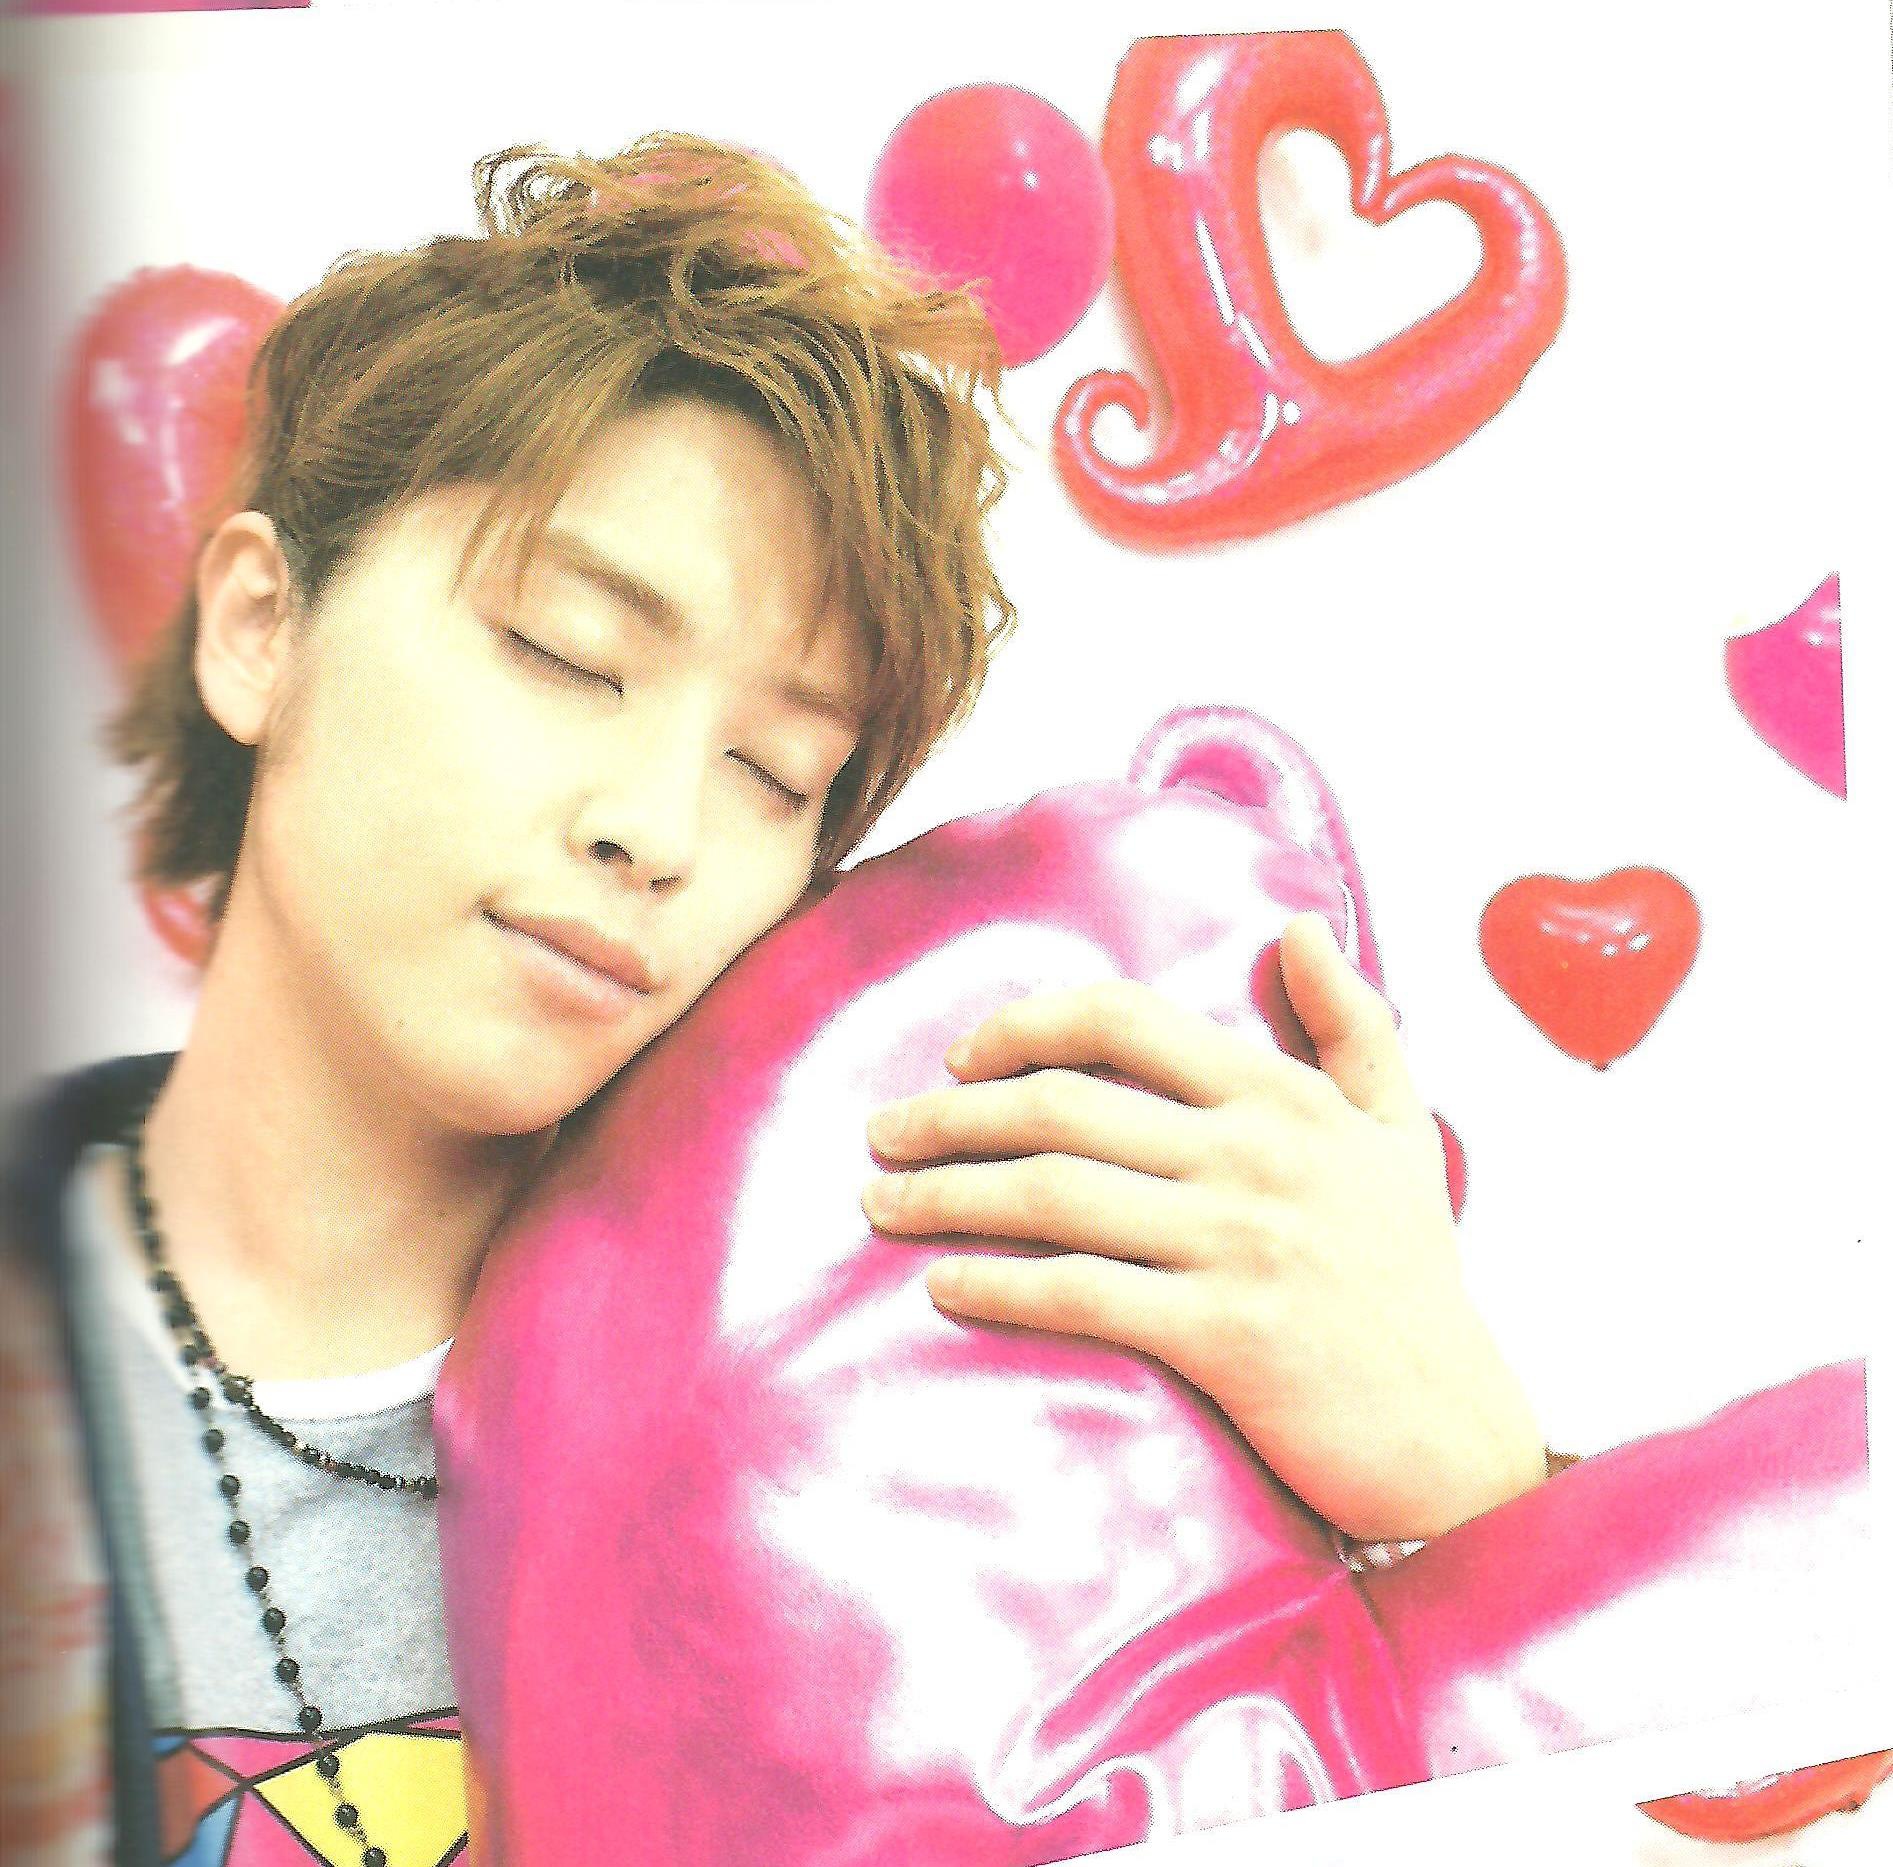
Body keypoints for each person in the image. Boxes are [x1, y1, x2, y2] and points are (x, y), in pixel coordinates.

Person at [0, 134, 1548, 1866]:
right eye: (567, 654)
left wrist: (1475, 1492)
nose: (656, 830)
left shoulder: (955, 1368)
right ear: (258, 630)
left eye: (772, 773)